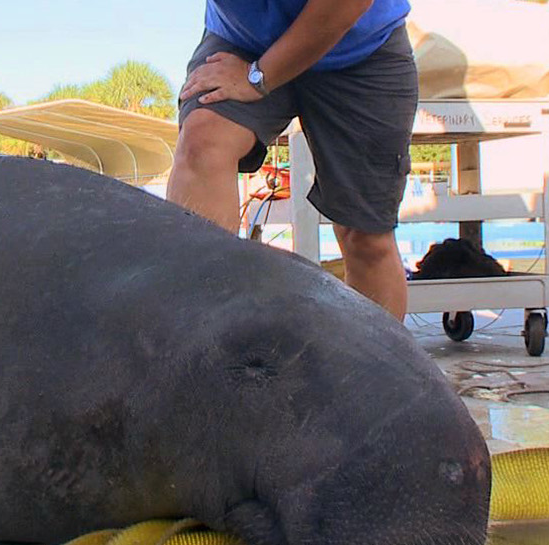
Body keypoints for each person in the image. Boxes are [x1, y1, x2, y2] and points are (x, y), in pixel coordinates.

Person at [167, 0, 419, 319]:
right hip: (243, 40)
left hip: (359, 48)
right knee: (202, 144)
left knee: (365, 237)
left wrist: (258, 77)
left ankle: (382, 369)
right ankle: (200, 345)